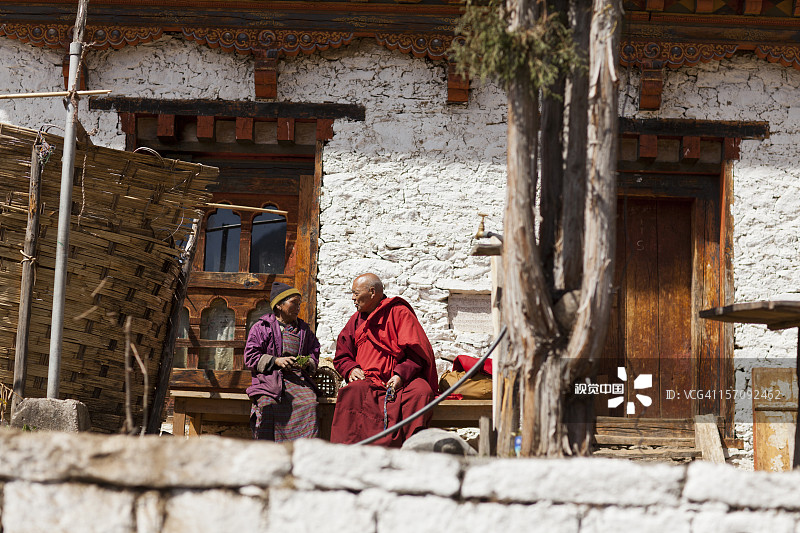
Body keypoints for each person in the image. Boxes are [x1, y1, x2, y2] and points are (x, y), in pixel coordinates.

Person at [331, 273, 438, 447]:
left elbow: (418, 353)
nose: (353, 298)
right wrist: (350, 368)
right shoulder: (357, 320)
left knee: (422, 392)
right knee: (352, 392)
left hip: (402, 381)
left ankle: (413, 448)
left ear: (372, 292)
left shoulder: (399, 313)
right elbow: (342, 353)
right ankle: (350, 450)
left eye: (356, 293)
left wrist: (400, 375)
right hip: (368, 379)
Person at [244, 282, 320, 441]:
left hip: (297, 381)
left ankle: (302, 453)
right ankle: (269, 453)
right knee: (268, 406)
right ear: (279, 305)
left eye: (299, 304)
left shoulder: (304, 330)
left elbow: (314, 350)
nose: (298, 307)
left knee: (309, 404)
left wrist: (307, 362)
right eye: (294, 303)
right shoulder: (261, 327)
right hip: (269, 381)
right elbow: (250, 356)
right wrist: (276, 361)